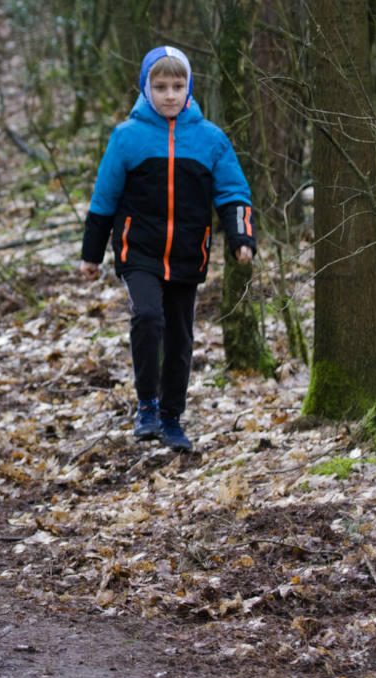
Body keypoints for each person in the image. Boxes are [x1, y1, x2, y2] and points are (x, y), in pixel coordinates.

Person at [79, 46, 256, 452]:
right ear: (146, 89)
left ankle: (172, 417)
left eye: (178, 86)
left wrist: (241, 238)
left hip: (188, 254)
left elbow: (234, 191)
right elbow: (103, 198)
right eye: (160, 87)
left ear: (189, 88)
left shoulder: (210, 139)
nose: (170, 95)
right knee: (147, 316)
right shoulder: (127, 137)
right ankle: (147, 405)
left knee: (180, 335)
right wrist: (92, 253)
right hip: (137, 249)